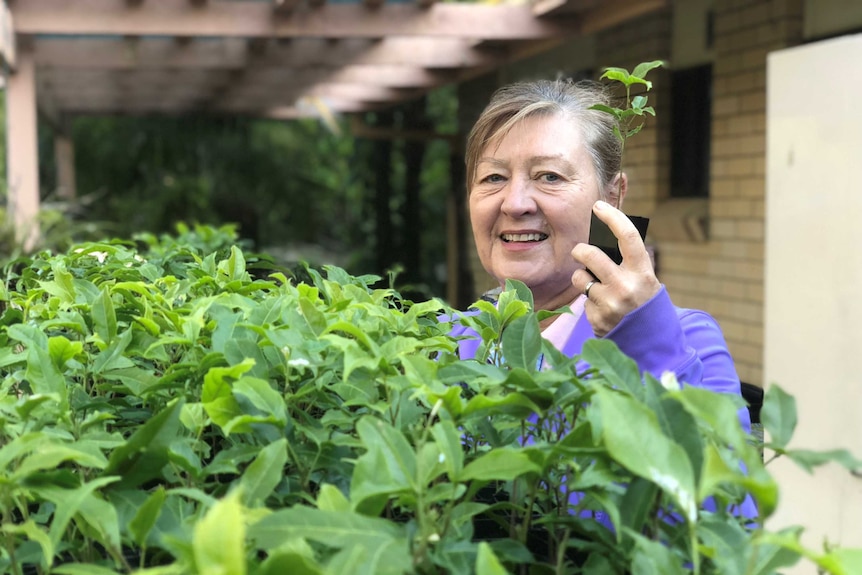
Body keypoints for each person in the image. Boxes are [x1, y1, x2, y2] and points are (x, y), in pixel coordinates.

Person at [450, 78, 757, 519]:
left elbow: (728, 520)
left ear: (612, 196)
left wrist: (644, 342)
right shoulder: (444, 340)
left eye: (549, 176)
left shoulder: (683, 338)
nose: (514, 202)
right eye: (493, 177)